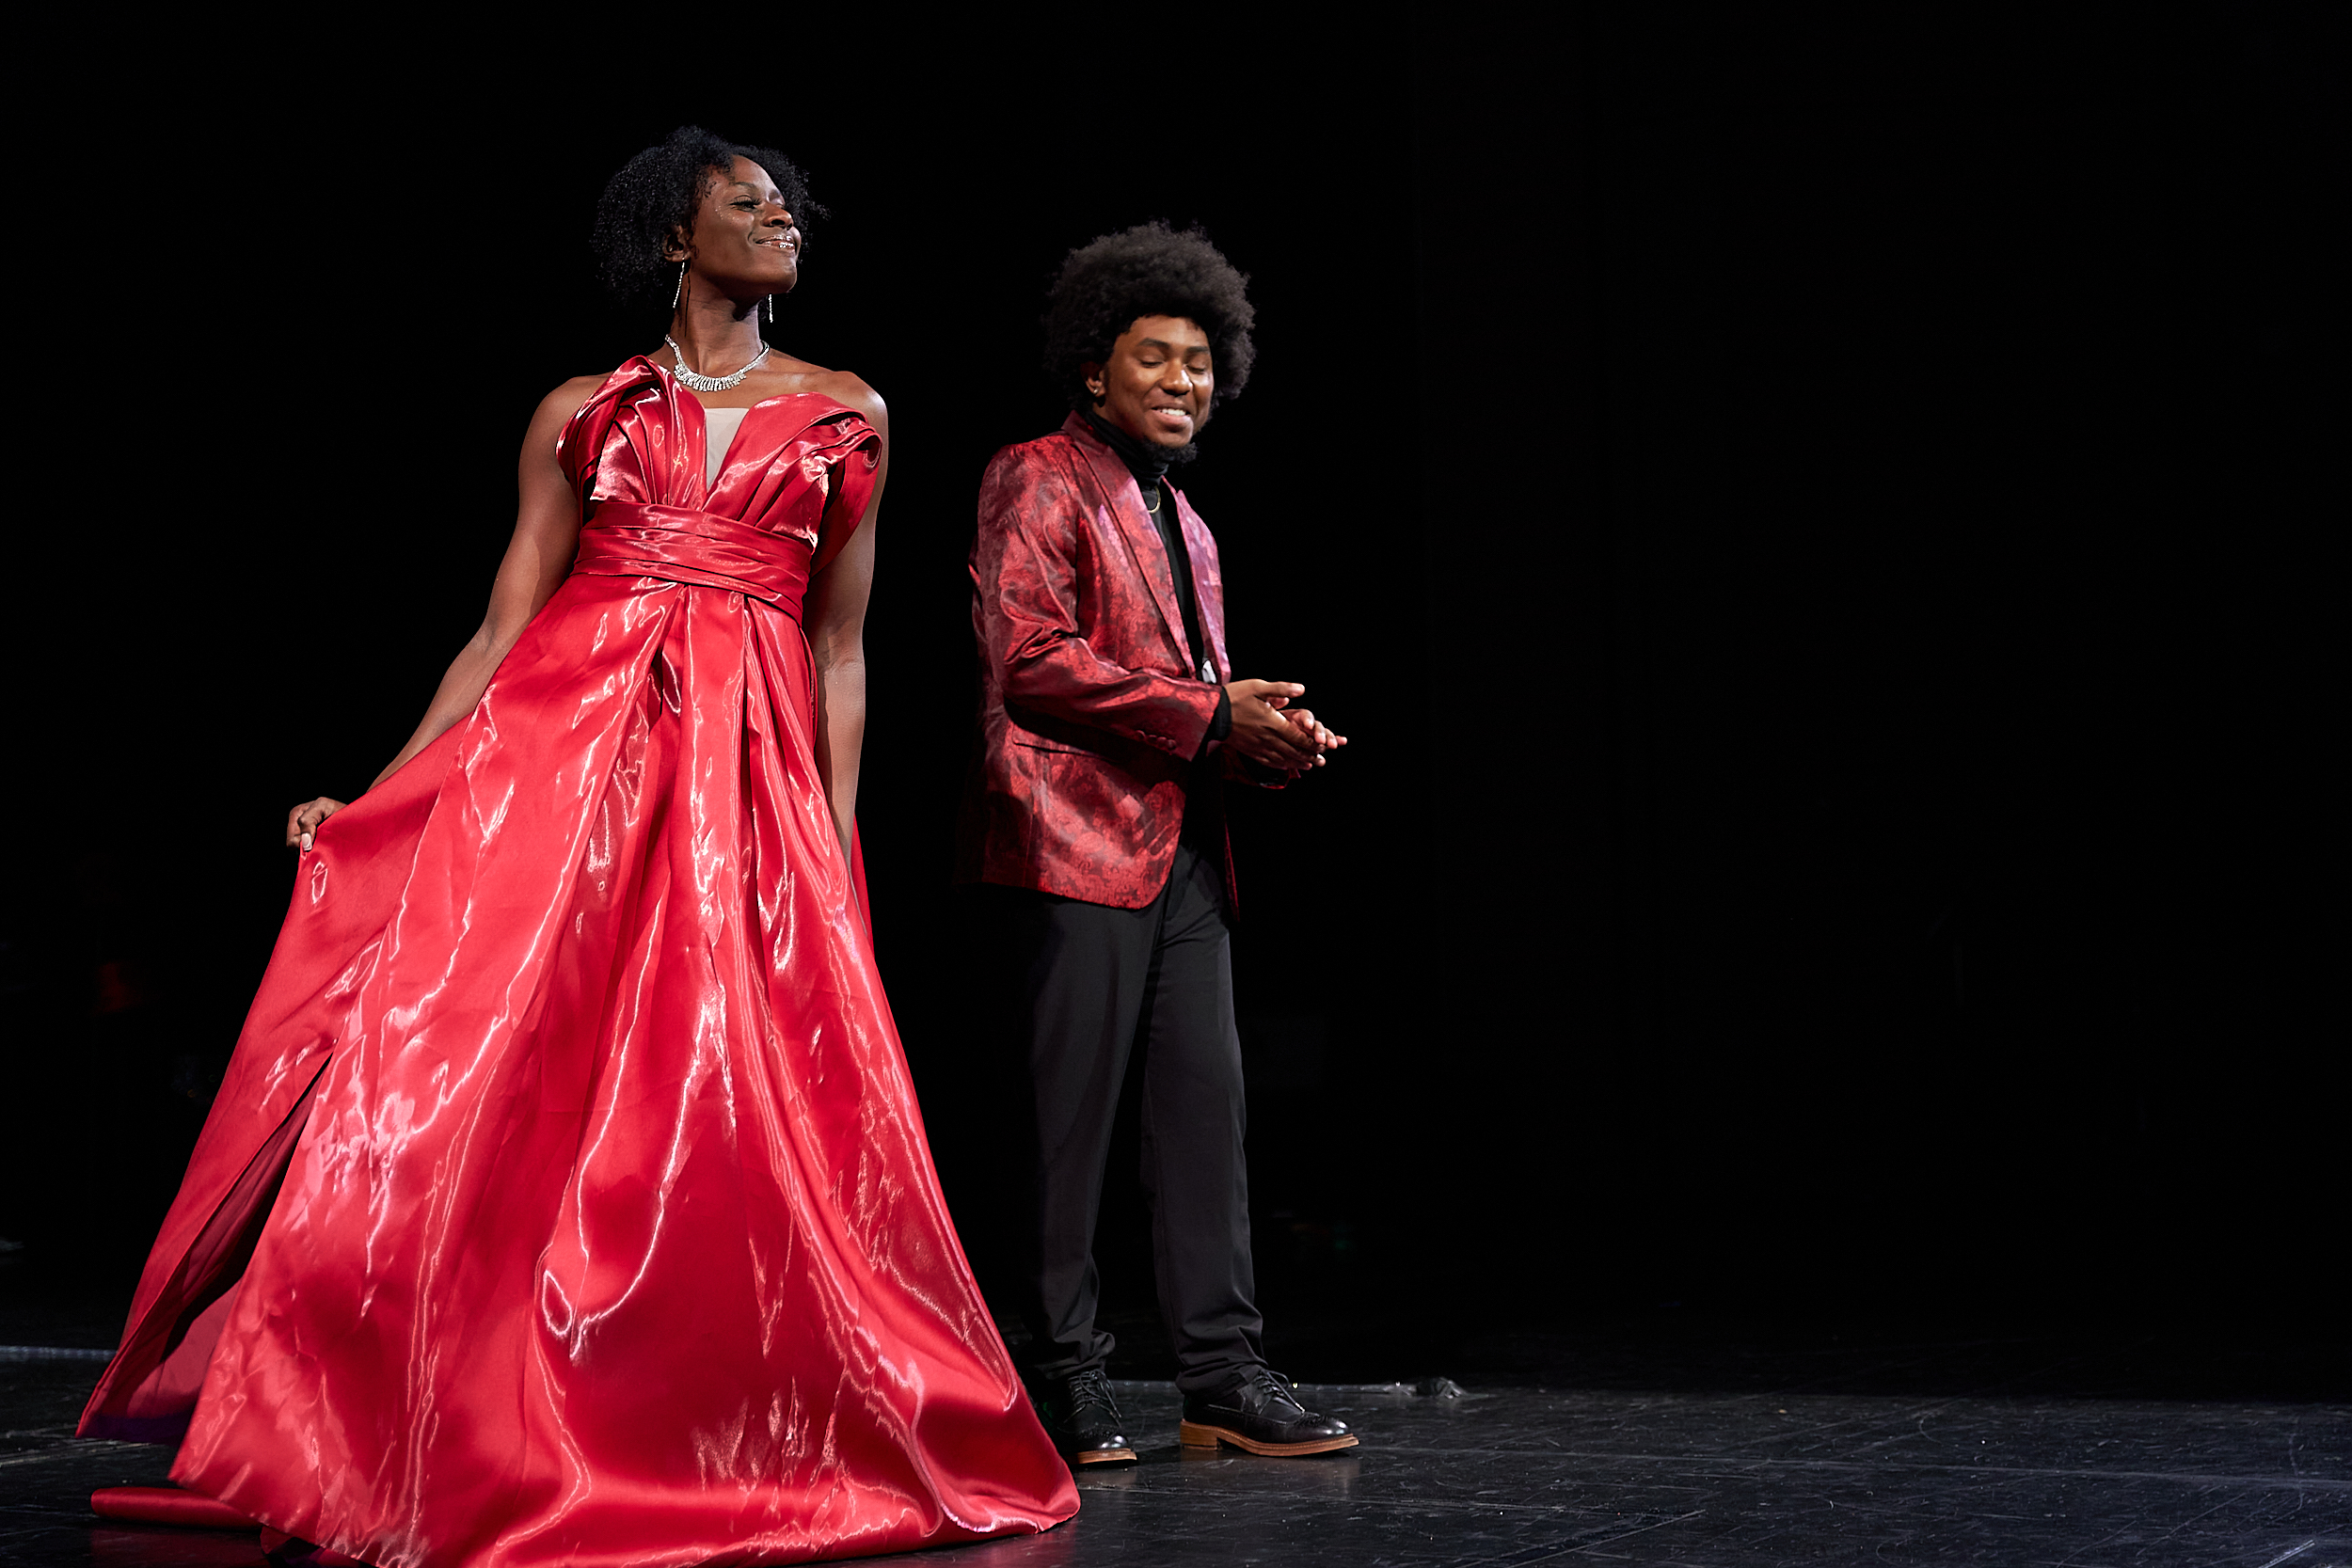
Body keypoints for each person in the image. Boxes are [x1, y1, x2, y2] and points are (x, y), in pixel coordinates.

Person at [76, 126, 1077, 1566]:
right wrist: (380, 791)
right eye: (749, 203)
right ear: (674, 237)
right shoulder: (583, 411)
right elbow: (505, 624)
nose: (784, 221)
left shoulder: (847, 409)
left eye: (790, 207)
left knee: (716, 1081)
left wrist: (831, 828)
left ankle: (695, 1412)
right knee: (505, 1065)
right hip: (565, 759)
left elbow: (841, 646)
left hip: (741, 773)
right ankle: (457, 1402)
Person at [960, 222, 1357, 1465]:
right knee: (1064, 1132)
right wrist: (1212, 716)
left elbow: (1192, 700)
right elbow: (1030, 660)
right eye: (1156, 358)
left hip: (1183, 851)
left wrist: (1264, 738)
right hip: (1070, 841)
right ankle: (1059, 1377)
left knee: (1204, 1118)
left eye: (1200, 362)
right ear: (1094, 369)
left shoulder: (1189, 522)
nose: (1185, 381)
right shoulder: (1036, 474)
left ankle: (1222, 1377)